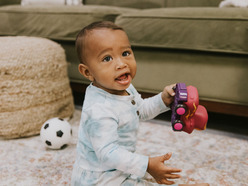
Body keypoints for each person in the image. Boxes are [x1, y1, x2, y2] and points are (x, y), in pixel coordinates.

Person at [71, 21, 209, 186]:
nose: (122, 64)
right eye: (107, 58)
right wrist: (147, 164)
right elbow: (108, 154)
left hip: (119, 169)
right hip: (100, 179)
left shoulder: (125, 88)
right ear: (87, 72)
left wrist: (163, 99)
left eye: (126, 53)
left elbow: (139, 110)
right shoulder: (99, 109)